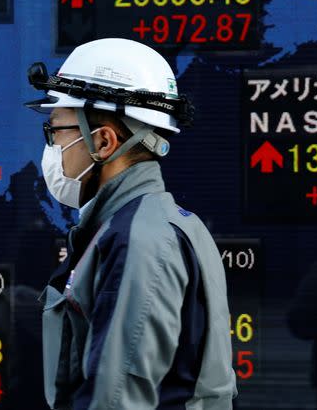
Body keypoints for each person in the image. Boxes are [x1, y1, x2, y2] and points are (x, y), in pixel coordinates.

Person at [26, 38, 237, 409]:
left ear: (104, 141)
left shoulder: (138, 240)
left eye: (54, 132)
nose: (50, 148)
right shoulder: (159, 225)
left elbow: (118, 397)